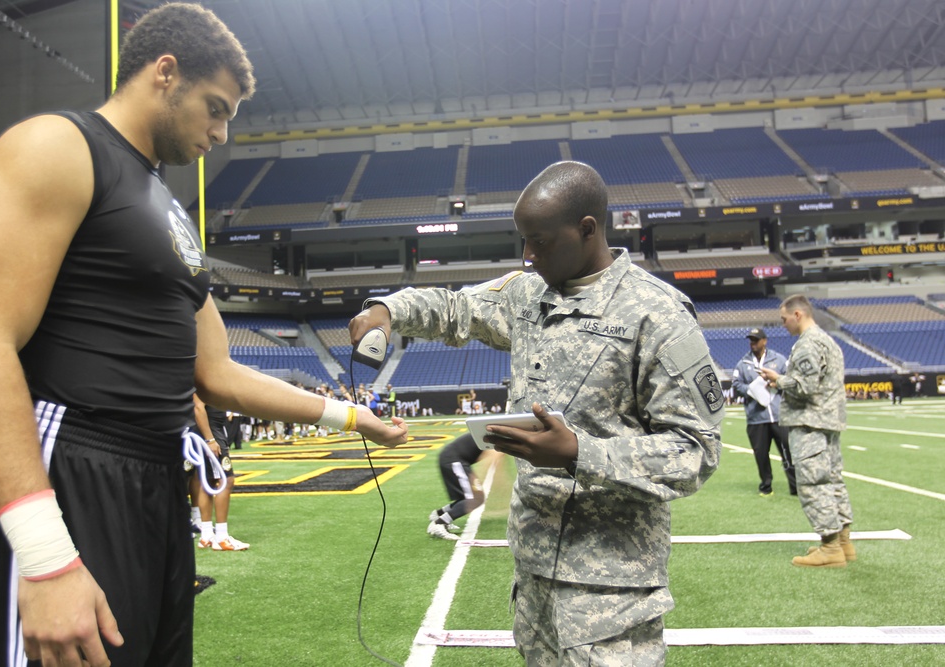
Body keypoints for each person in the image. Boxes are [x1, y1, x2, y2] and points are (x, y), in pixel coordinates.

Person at [0, 4, 408, 666]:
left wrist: (350, 415)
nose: (221, 133)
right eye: (215, 108)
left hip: (156, 482)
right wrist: (46, 558)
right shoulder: (55, 146)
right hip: (70, 462)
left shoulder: (166, 207)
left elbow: (217, 371)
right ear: (165, 73)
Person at [350, 161, 721, 665]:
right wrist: (386, 310)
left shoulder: (657, 314)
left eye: (540, 241)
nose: (528, 255)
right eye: (523, 240)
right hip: (533, 572)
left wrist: (578, 452)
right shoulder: (529, 294)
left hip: (610, 590)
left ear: (587, 229)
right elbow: (454, 308)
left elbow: (695, 451)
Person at [759, 294, 854, 568]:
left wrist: (778, 380)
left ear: (797, 314)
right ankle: (843, 541)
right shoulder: (828, 341)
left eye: (784, 318)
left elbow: (804, 387)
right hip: (828, 420)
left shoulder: (808, 344)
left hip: (809, 422)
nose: (783, 324)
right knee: (833, 480)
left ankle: (830, 547)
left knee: (814, 483)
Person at [730, 328, 796, 496]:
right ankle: (766, 486)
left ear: (764, 341)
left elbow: (791, 380)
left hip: (779, 416)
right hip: (756, 418)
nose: (753, 343)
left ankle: (796, 486)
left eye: (756, 340)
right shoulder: (743, 363)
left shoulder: (778, 360)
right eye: (751, 340)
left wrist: (777, 384)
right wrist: (751, 390)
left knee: (788, 452)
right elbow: (737, 385)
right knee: (761, 455)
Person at [192, 393, 248, 551]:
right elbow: (198, 407)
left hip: (213, 430)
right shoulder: (201, 377)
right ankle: (222, 537)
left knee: (208, 482)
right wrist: (210, 439)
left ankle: (207, 535)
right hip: (210, 432)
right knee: (227, 480)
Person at [427, 432, 500, 541]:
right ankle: (439, 524)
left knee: (468, 497)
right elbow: (492, 459)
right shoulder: (497, 435)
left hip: (453, 458)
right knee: (475, 498)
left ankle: (439, 514)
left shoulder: (492, 431)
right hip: (454, 460)